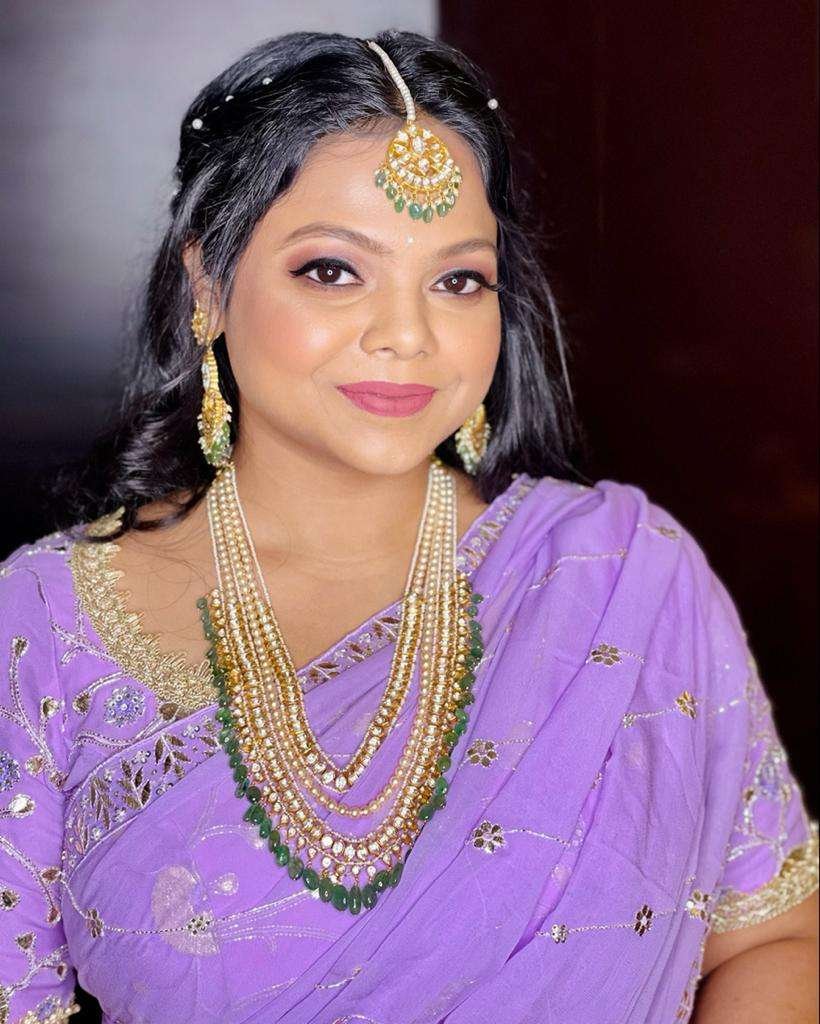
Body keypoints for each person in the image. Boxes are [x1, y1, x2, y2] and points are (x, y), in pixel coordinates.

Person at [0, 28, 816, 1024]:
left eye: (457, 279)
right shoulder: (42, 623)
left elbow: (771, 940)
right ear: (208, 287)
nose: (408, 334)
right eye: (332, 270)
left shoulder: (623, 580)